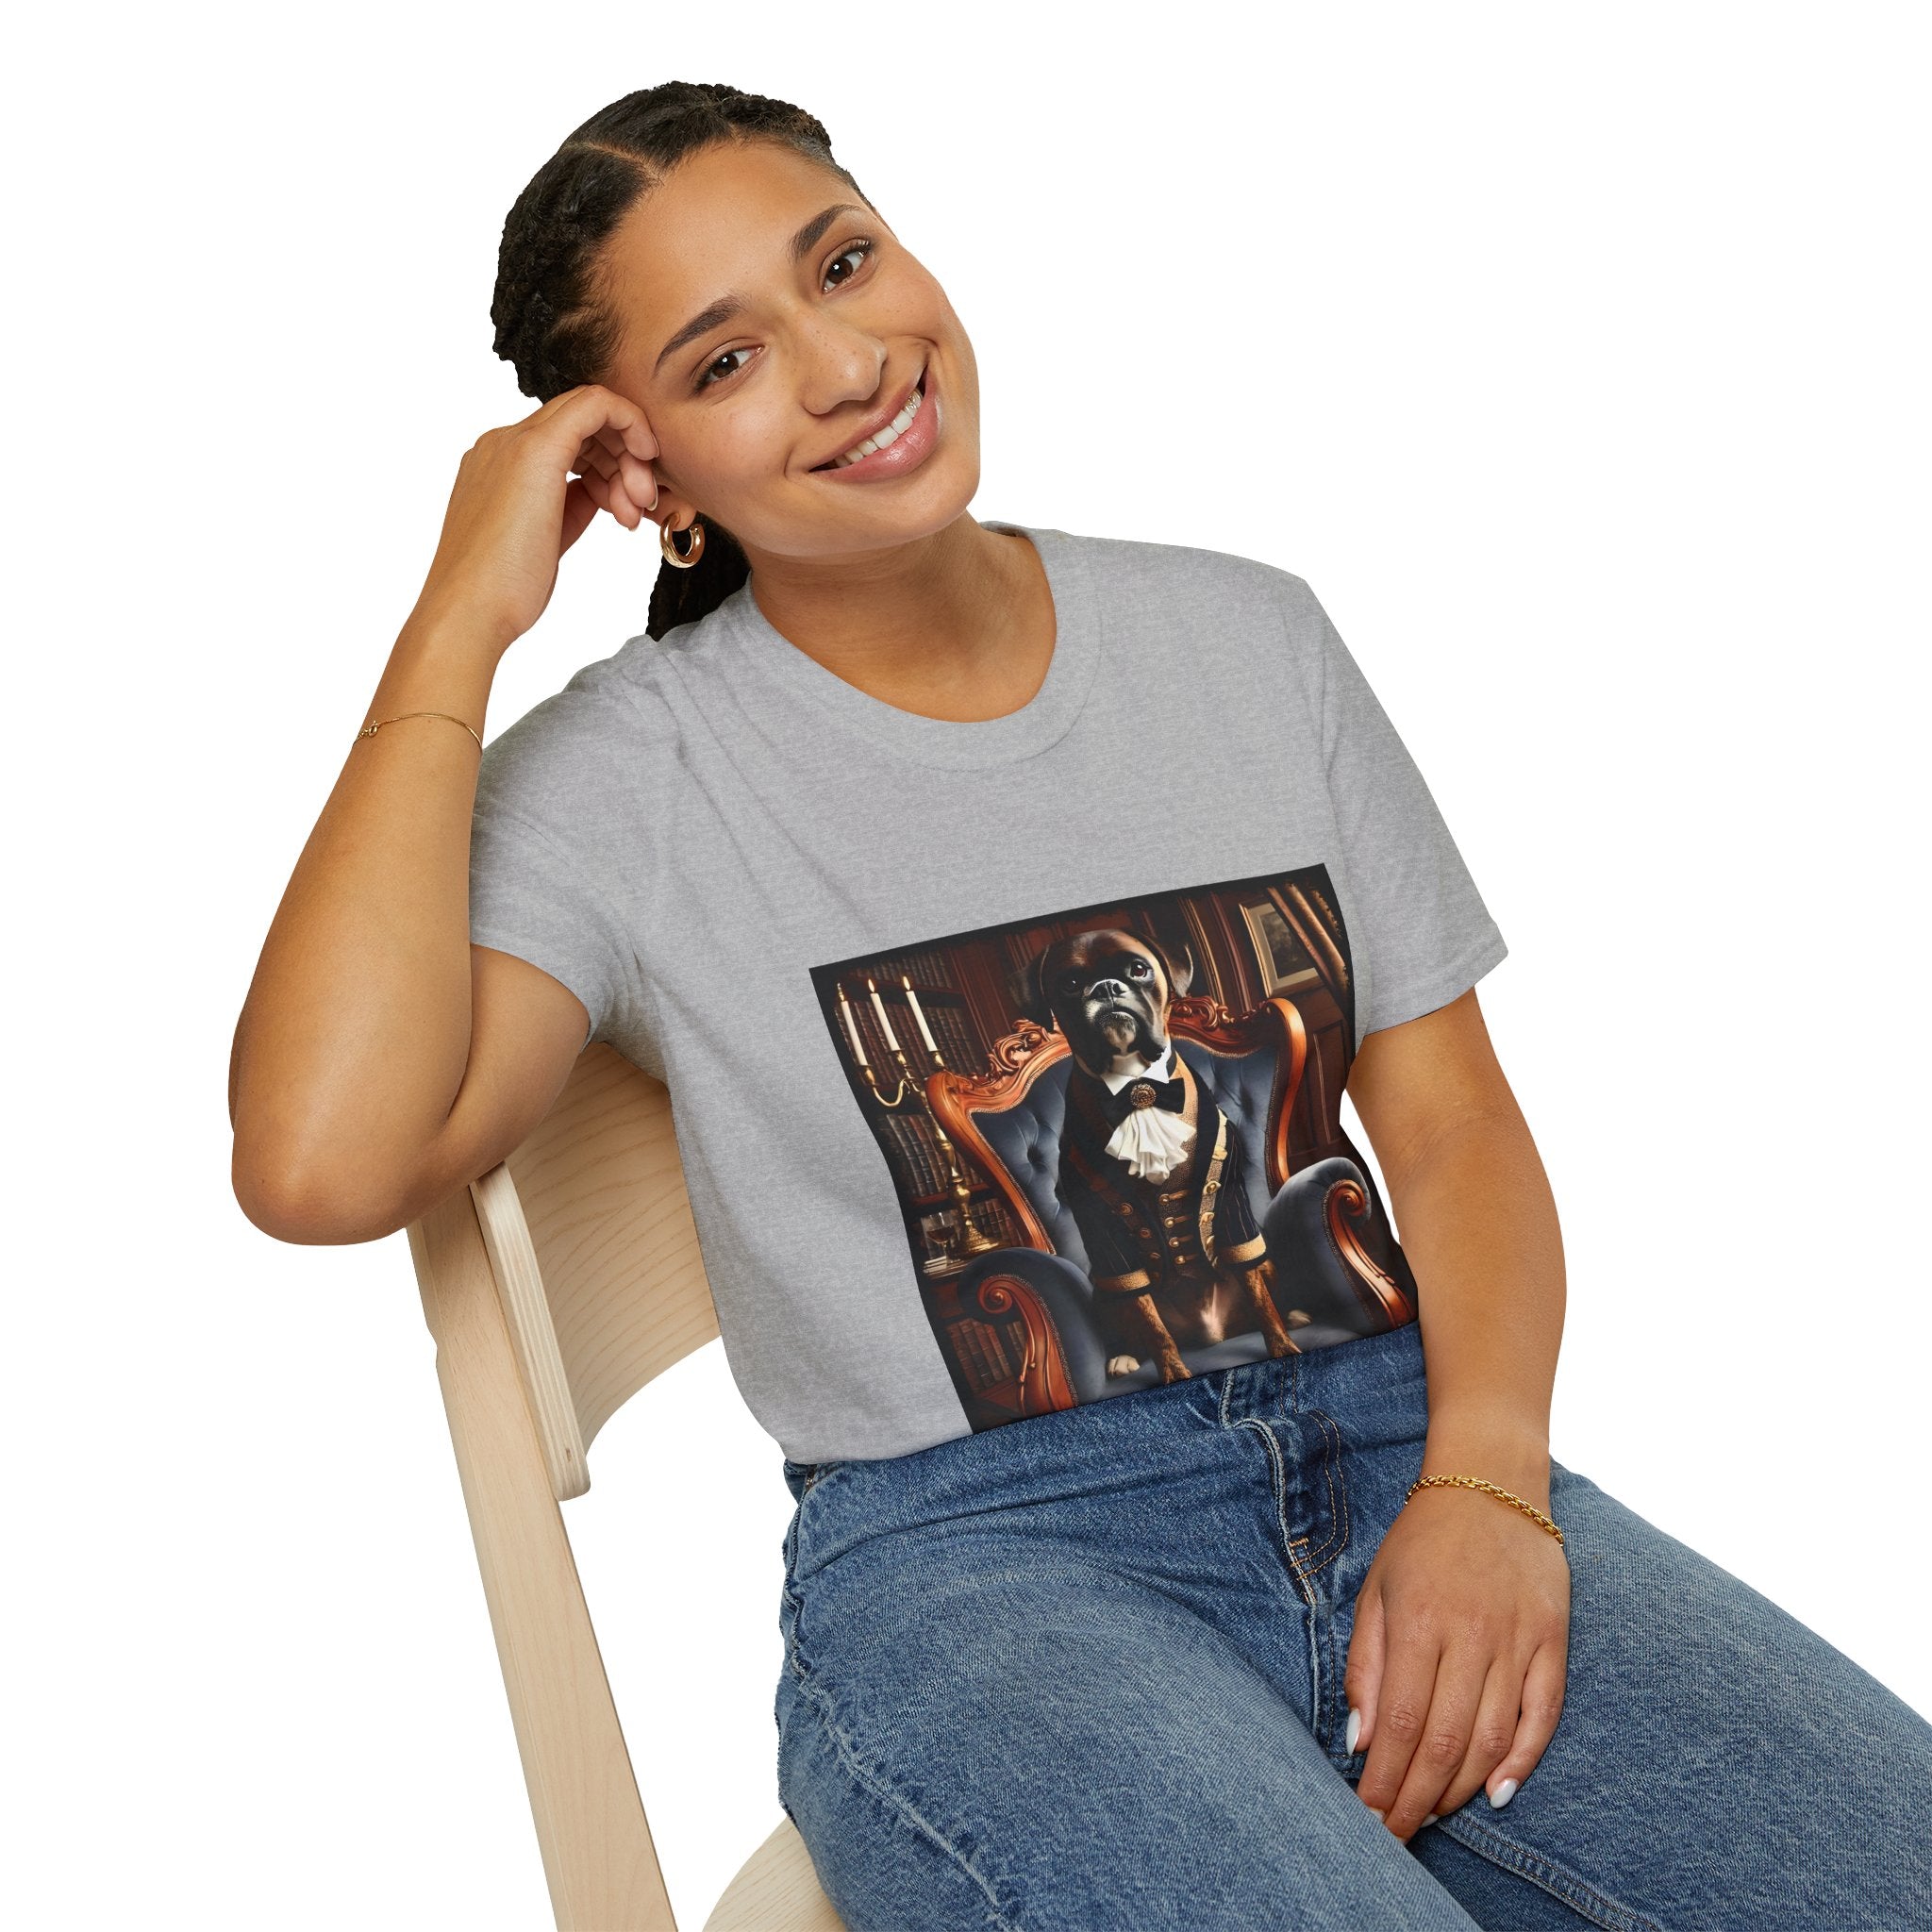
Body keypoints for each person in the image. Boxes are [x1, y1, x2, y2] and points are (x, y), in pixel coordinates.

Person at [228, 81, 1932, 1931]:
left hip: (1401, 1446)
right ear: (648, 480)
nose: (846, 362)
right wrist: (456, 620)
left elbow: (1447, 1130)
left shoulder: (1247, 641)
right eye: (725, 363)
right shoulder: (633, 778)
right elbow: (320, 1159)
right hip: (987, 1568)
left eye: (845, 263)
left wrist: (1490, 1488)